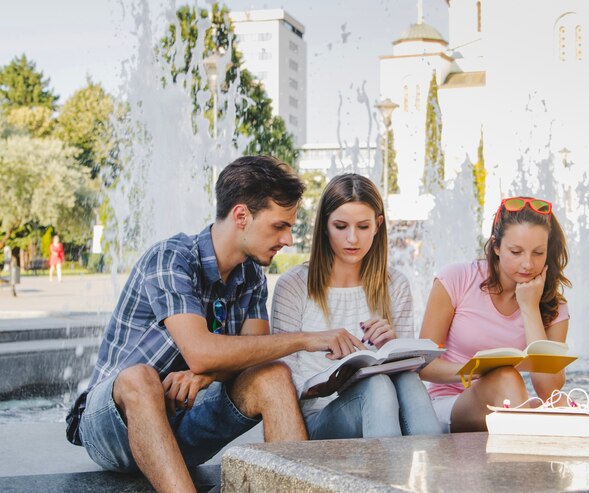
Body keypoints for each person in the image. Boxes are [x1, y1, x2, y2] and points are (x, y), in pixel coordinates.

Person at [65, 156, 366, 493]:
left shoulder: (251, 276)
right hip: (112, 426)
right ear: (241, 216)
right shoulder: (171, 258)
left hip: (181, 420)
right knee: (140, 377)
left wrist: (205, 374)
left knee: (273, 375)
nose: (288, 240)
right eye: (280, 226)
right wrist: (306, 339)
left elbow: (256, 358)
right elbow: (201, 352)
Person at [271, 173, 441, 439]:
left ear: (378, 225)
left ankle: (432, 473)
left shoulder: (395, 283)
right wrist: (333, 380)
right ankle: (386, 480)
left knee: (406, 380)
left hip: (382, 413)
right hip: (318, 417)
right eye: (341, 226)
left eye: (363, 227)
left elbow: (410, 374)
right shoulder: (294, 285)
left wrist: (393, 345)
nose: (352, 239)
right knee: (376, 386)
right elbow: (281, 382)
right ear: (325, 226)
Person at [419, 196, 571, 433]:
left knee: (559, 403)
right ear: (496, 246)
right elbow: (423, 366)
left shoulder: (555, 306)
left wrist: (529, 308)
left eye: (538, 253)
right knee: (506, 377)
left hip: (508, 406)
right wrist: (478, 371)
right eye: (516, 251)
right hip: (450, 405)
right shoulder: (456, 279)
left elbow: (548, 388)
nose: (527, 264)